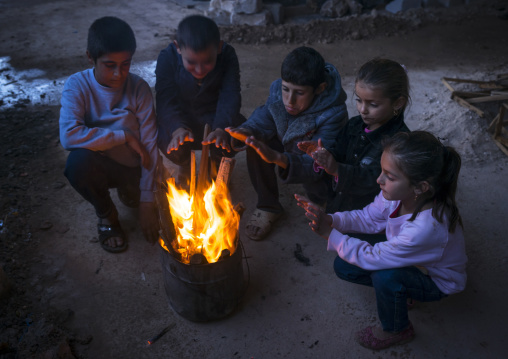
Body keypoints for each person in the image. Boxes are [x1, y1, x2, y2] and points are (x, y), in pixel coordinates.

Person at [296, 131, 468, 350]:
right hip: (410, 255)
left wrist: (329, 234)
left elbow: (373, 257)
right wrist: (330, 219)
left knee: (385, 275)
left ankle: (397, 328)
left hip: (435, 279)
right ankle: (402, 293)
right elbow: (368, 218)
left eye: (390, 176)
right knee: (344, 265)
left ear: (420, 187)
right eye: (382, 171)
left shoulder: (427, 228)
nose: (379, 180)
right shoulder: (400, 195)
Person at [226, 46, 348, 241]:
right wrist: (248, 130)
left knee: (321, 195)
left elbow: (320, 162)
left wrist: (278, 158)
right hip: (289, 146)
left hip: (317, 161)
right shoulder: (278, 91)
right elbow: (267, 115)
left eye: (299, 93)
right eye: (286, 89)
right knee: (255, 143)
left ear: (320, 89)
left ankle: (322, 201)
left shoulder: (333, 113)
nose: (289, 100)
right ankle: (268, 205)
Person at [60, 16, 160, 253]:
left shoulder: (139, 88)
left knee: (162, 153)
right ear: (90, 57)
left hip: (134, 165)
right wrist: (123, 136)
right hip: (101, 164)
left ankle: (131, 189)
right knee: (77, 164)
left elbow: (150, 144)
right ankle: (107, 215)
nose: (118, 73)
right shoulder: (77, 86)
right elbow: (69, 136)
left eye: (126, 64)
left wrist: (148, 200)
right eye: (109, 65)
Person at [298, 58, 410, 215]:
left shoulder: (399, 143)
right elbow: (339, 150)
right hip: (340, 203)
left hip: (369, 216)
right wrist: (325, 155)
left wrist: (337, 170)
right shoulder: (354, 125)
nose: (362, 109)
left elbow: (375, 181)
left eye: (373, 104)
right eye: (359, 100)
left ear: (398, 103)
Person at [155, 15, 246, 187]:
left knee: (237, 133)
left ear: (219, 47)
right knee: (164, 136)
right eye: (191, 62)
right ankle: (184, 164)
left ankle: (217, 164)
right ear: (178, 48)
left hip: (215, 117)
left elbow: (230, 94)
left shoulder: (227, 55)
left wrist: (220, 129)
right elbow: (165, 100)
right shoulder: (167, 57)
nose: (199, 69)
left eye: (207, 62)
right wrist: (177, 129)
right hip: (182, 119)